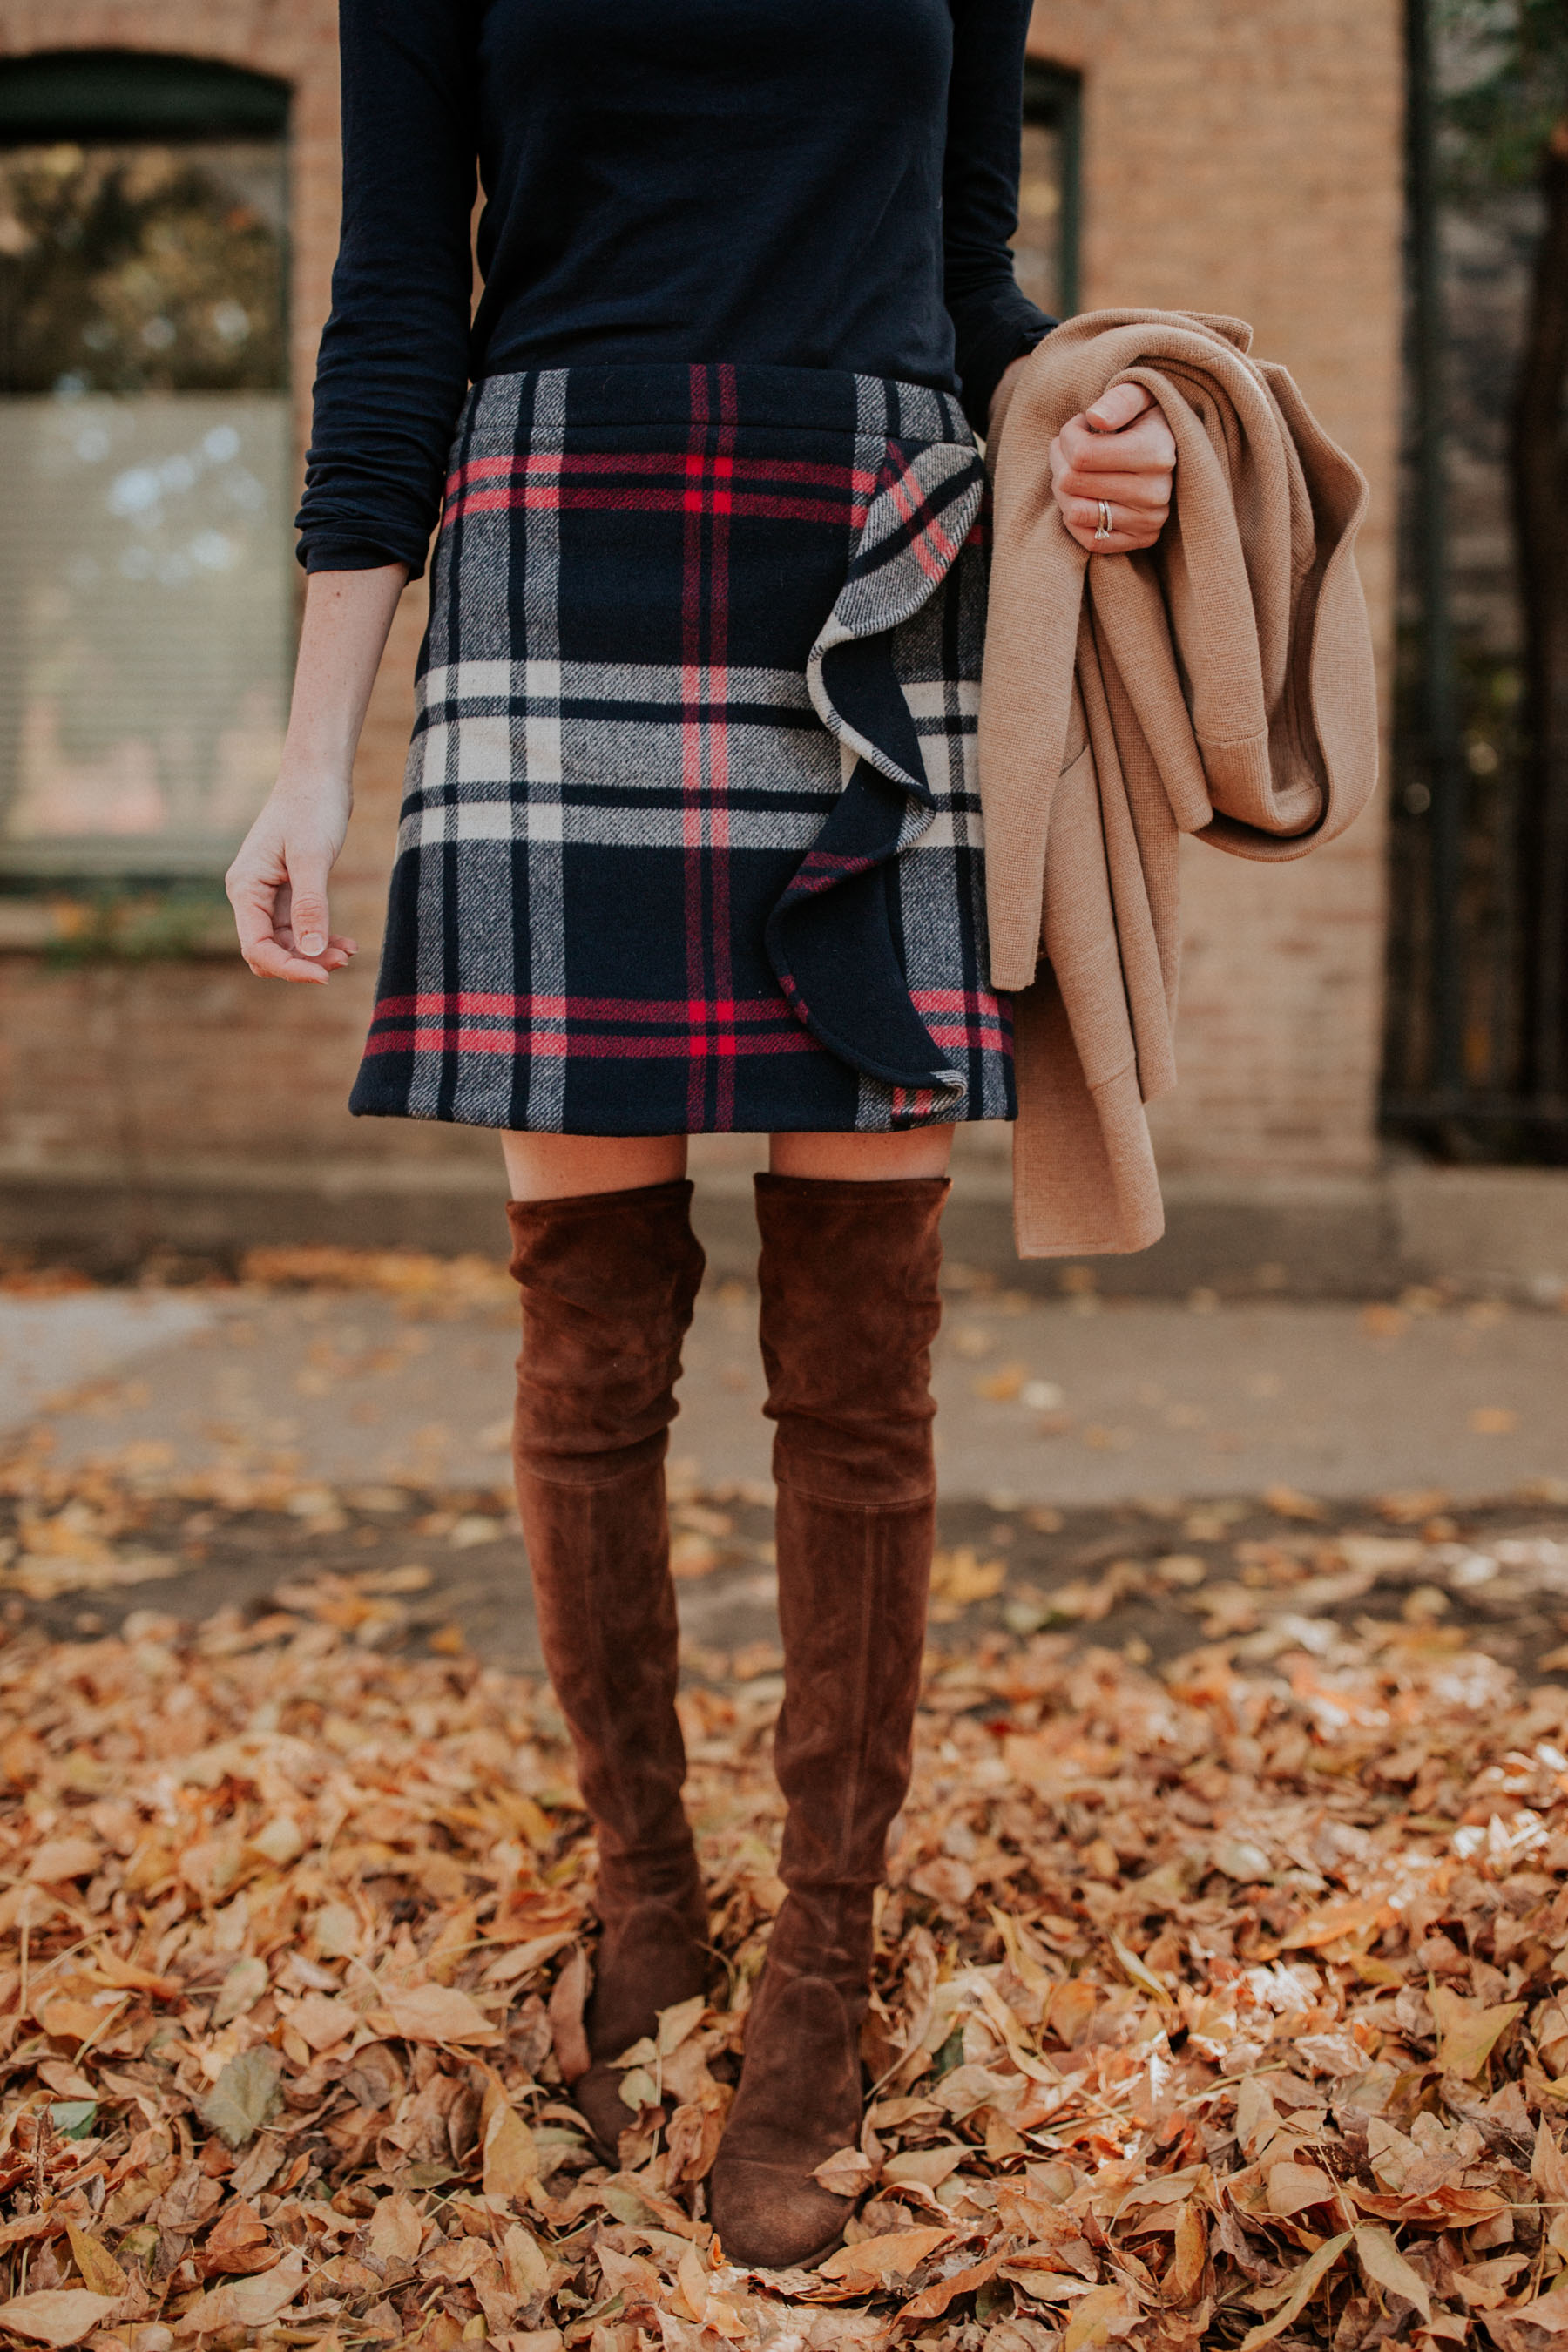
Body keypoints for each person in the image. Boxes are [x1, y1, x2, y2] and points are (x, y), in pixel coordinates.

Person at [226, 0, 1176, 2268]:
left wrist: (1088, 421)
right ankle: (643, 1895)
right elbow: (395, 316)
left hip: (873, 545)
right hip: (555, 551)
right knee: (592, 1323)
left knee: (862, 1350)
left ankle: (816, 1986)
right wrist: (307, 756)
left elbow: (965, 283)